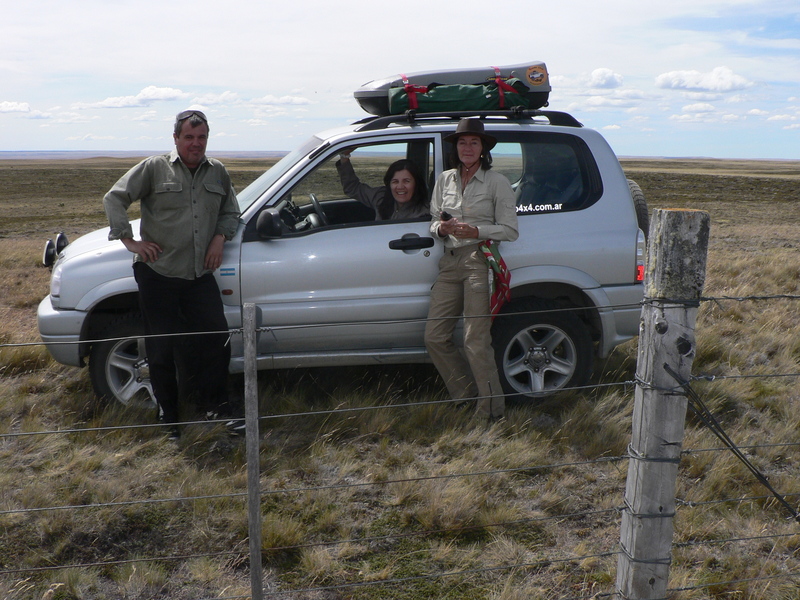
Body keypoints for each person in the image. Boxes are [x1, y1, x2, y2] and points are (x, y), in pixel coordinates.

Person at [103, 109, 241, 438]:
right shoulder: (154, 168)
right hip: (159, 274)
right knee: (161, 348)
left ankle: (215, 406)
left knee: (216, 342)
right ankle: (169, 415)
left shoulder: (217, 172)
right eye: (189, 137)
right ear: (176, 138)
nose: (196, 144)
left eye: (202, 137)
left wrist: (219, 239)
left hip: (198, 275)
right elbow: (115, 198)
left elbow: (231, 211)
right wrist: (130, 242)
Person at [424, 118, 519, 420]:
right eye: (462, 142)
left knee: (475, 340)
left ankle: (491, 410)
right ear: (455, 147)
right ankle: (465, 395)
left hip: (479, 260)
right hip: (449, 261)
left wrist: (475, 231)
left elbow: (510, 230)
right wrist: (443, 229)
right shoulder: (444, 180)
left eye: (474, 142)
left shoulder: (497, 182)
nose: (467, 147)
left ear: (483, 148)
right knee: (435, 336)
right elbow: (433, 221)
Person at [336, 152, 429, 220]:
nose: (400, 186)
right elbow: (353, 188)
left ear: (416, 183)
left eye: (406, 181)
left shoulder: (424, 213)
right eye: (395, 182)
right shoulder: (381, 197)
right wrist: (344, 156)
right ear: (389, 184)